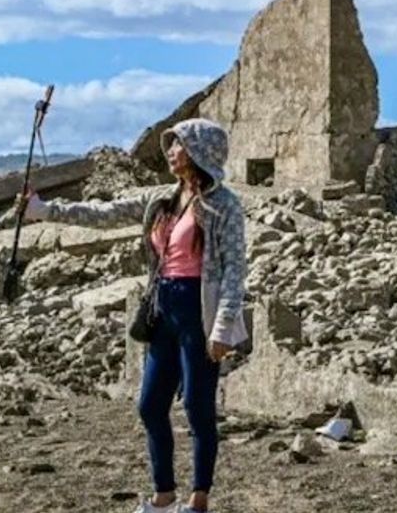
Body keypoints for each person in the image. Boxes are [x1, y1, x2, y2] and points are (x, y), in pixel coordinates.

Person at [22, 118, 248, 513]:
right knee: (150, 405)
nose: (170, 151)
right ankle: (163, 497)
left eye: (177, 145)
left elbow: (234, 270)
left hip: (200, 310)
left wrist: (223, 327)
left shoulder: (223, 204)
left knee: (197, 407)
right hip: (162, 306)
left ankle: (198, 501)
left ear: (197, 152)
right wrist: (44, 210)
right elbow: (105, 213)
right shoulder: (162, 198)